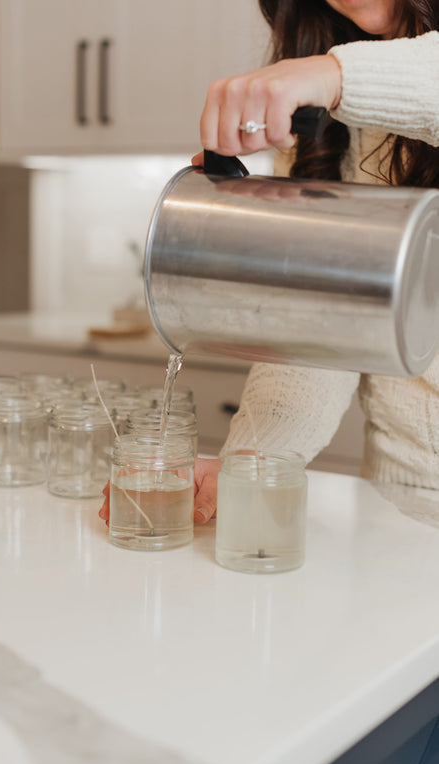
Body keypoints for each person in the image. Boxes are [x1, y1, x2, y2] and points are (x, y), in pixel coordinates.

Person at [100, 0, 439, 527]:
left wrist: (335, 77)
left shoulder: (337, 79)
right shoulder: (326, 110)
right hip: (397, 505)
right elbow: (318, 327)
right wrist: (248, 463)